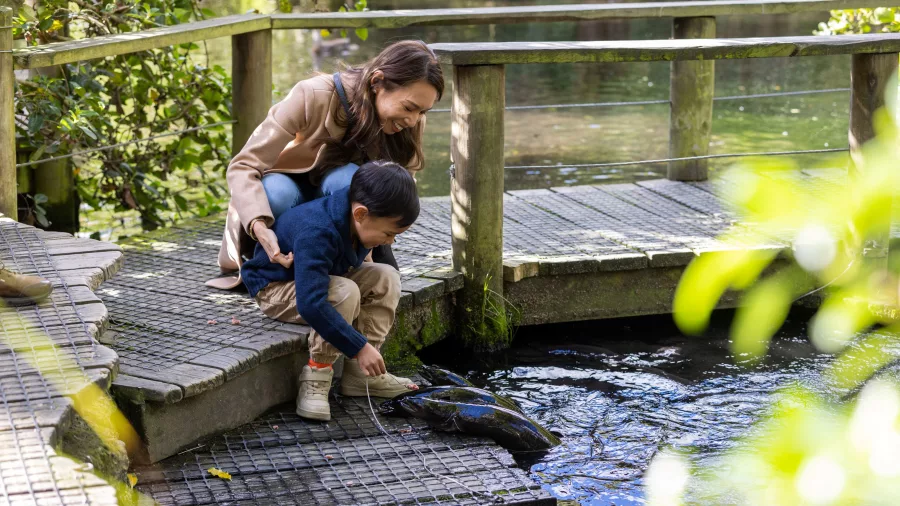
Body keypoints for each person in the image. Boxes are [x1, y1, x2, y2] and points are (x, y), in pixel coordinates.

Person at [208, 39, 444, 290]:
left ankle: (343, 265)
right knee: (278, 193)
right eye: (409, 107)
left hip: (338, 211)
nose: (413, 119)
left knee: (350, 181)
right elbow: (243, 166)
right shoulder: (312, 94)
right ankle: (273, 270)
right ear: (377, 82)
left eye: (423, 112)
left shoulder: (409, 122)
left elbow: (398, 196)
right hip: (287, 204)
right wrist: (258, 225)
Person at [241, 161, 421, 421]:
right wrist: (358, 347)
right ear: (360, 214)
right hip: (275, 287)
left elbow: (368, 271)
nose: (390, 241)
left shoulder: (357, 218)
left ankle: (362, 377)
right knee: (344, 292)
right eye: (389, 233)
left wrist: (366, 345)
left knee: (386, 276)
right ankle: (317, 374)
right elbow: (311, 303)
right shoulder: (318, 231)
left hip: (320, 278)